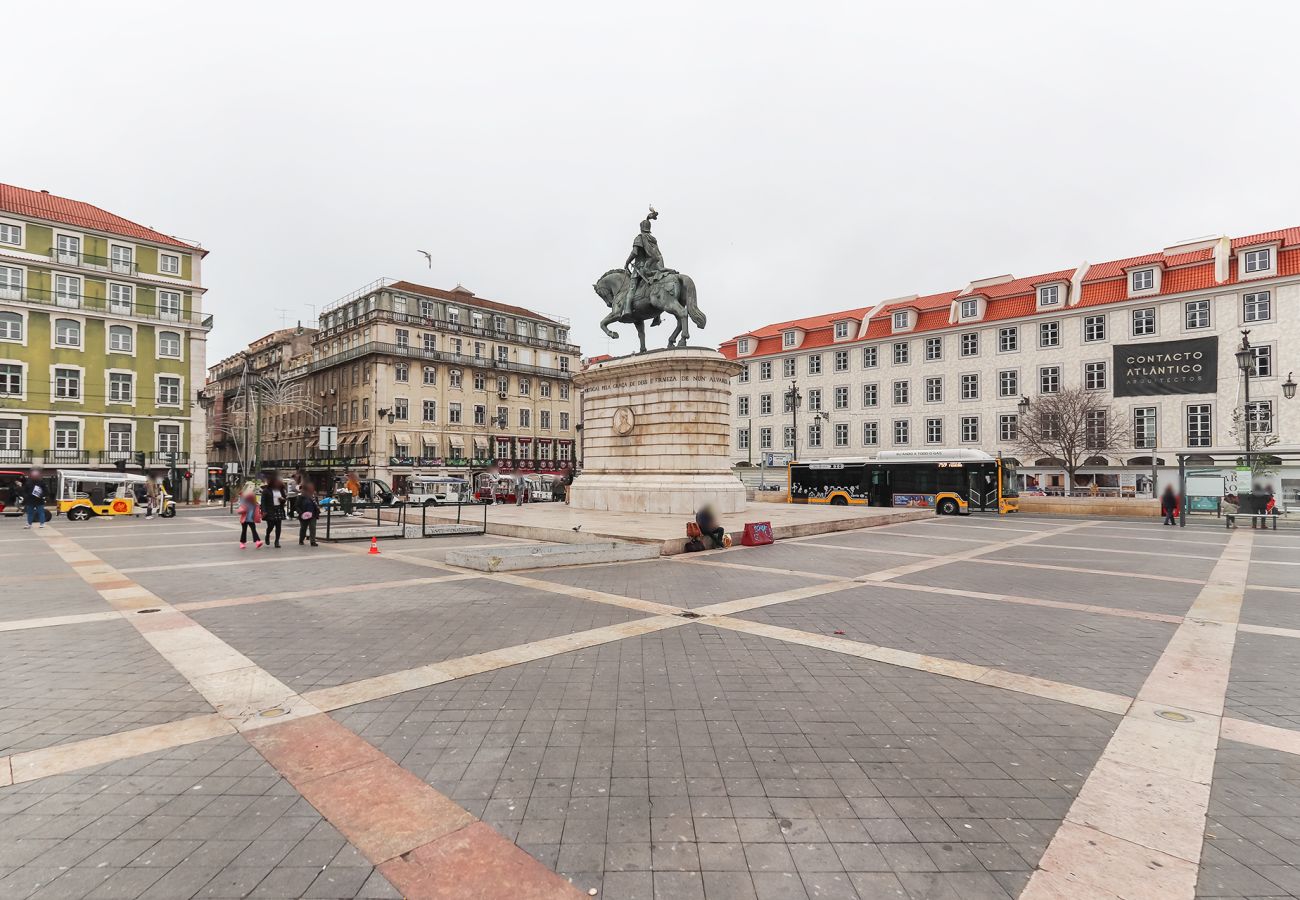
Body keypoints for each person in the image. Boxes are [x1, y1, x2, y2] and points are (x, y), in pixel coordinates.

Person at [261, 475, 287, 548]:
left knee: (278, 526)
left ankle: (277, 541)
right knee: (270, 526)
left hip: (279, 509)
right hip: (270, 510)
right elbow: (263, 501)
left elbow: (285, 499)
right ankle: (267, 535)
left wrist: (282, 500)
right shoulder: (266, 490)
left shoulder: (280, 490)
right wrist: (264, 510)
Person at [298, 482, 320, 546]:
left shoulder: (314, 496)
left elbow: (316, 504)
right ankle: (301, 540)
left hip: (312, 514)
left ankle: (312, 541)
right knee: (303, 528)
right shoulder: (301, 496)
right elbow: (297, 506)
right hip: (304, 515)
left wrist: (317, 511)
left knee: (313, 527)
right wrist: (301, 513)